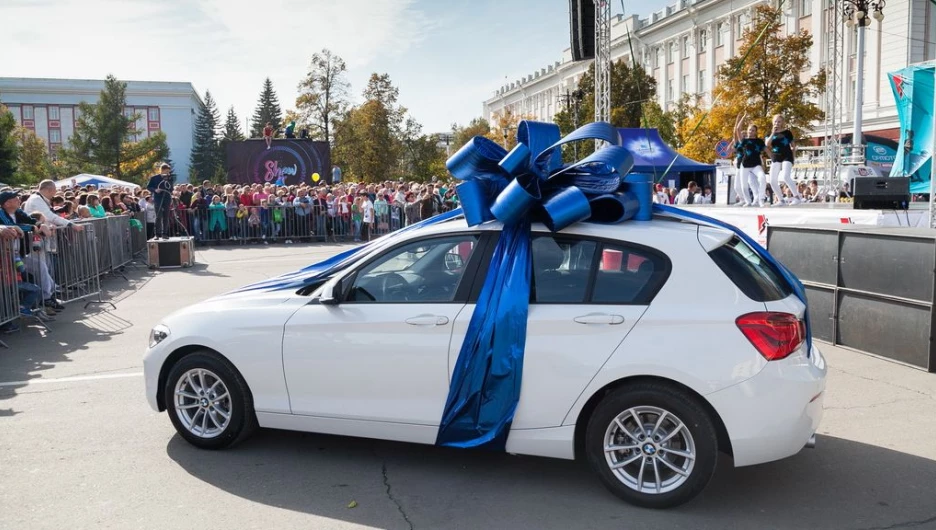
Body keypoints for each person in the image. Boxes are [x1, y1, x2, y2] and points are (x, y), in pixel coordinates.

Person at [766, 114, 802, 205]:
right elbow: (767, 144)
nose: (777, 123)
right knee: (772, 180)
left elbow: (793, 146)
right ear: (772, 122)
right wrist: (773, 133)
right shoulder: (769, 133)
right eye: (775, 121)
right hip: (776, 156)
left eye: (779, 121)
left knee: (786, 176)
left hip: (787, 155)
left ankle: (797, 197)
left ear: (782, 122)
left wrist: (793, 158)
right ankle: (781, 200)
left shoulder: (787, 132)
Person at [734, 115, 768, 207]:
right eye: (749, 130)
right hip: (745, 165)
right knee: (744, 185)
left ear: (756, 132)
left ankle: (761, 199)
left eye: (753, 130)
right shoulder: (744, 141)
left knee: (762, 178)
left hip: (756, 165)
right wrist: (743, 117)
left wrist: (773, 158)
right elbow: (737, 129)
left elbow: (767, 150)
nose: (750, 131)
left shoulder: (759, 141)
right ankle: (748, 201)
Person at [146, 163, 175, 240]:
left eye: (168, 171)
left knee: (166, 216)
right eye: (166, 171)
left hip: (167, 197)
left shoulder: (170, 178)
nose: (168, 173)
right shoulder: (154, 178)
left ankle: (165, 233)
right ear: (162, 170)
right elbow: (148, 187)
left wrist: (168, 181)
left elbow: (171, 188)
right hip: (158, 198)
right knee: (158, 215)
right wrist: (155, 190)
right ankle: (157, 234)